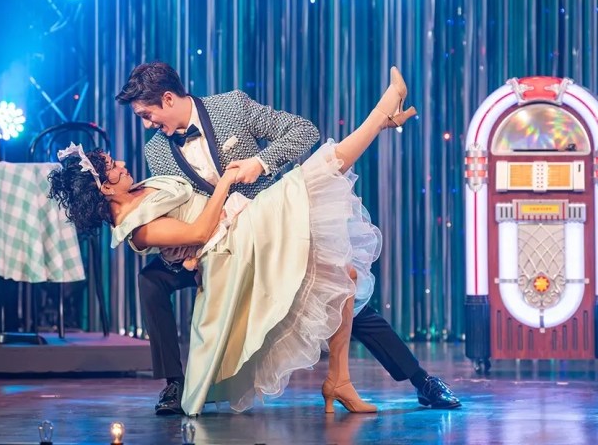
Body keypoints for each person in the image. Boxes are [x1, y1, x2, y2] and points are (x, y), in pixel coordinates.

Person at [49, 68, 420, 416]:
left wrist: (259, 163)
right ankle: (176, 384)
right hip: (232, 240)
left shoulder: (231, 106)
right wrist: (189, 254)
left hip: (256, 215)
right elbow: (185, 225)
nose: (147, 125)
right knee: (152, 280)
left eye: (147, 114)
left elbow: (304, 132)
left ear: (167, 99)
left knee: (345, 277)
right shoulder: (156, 152)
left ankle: (358, 380)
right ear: (107, 187)